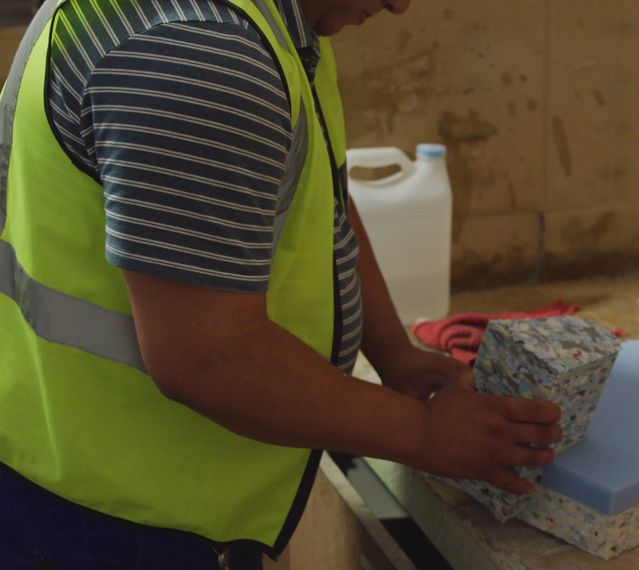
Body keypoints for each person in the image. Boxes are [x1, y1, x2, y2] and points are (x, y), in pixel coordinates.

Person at [0, 0, 561, 567]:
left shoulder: (275, 24)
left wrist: (393, 350)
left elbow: (321, 204)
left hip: (110, 487)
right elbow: (211, 360)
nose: (400, 4)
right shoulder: (202, 56)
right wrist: (424, 433)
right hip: (108, 527)